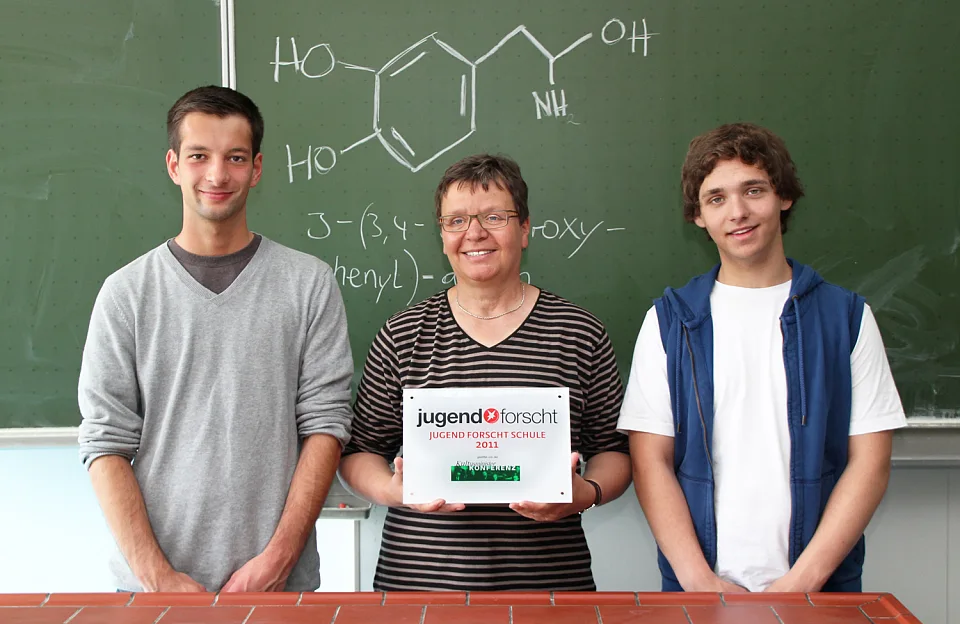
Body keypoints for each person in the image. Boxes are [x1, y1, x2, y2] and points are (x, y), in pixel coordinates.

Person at [77, 86, 353, 592]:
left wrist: (277, 562)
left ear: (258, 168)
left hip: (280, 588)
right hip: (151, 592)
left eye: (236, 157)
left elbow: (326, 426)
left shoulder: (309, 284)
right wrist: (159, 578)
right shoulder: (125, 294)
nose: (217, 174)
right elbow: (105, 443)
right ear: (173, 165)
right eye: (199, 155)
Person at [619, 123, 906, 593]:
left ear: (783, 197)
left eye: (753, 190)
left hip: (820, 590)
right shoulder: (671, 323)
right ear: (698, 217)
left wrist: (802, 583)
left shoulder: (846, 318)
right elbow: (651, 459)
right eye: (716, 199)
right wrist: (699, 580)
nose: (737, 212)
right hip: (701, 590)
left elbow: (870, 462)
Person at [338, 153, 631, 591]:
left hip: (550, 589)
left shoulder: (578, 332)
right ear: (442, 236)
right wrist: (392, 492)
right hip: (417, 589)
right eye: (456, 220)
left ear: (525, 228)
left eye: (493, 216)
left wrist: (583, 495)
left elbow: (615, 452)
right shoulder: (402, 334)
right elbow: (359, 452)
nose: (474, 233)